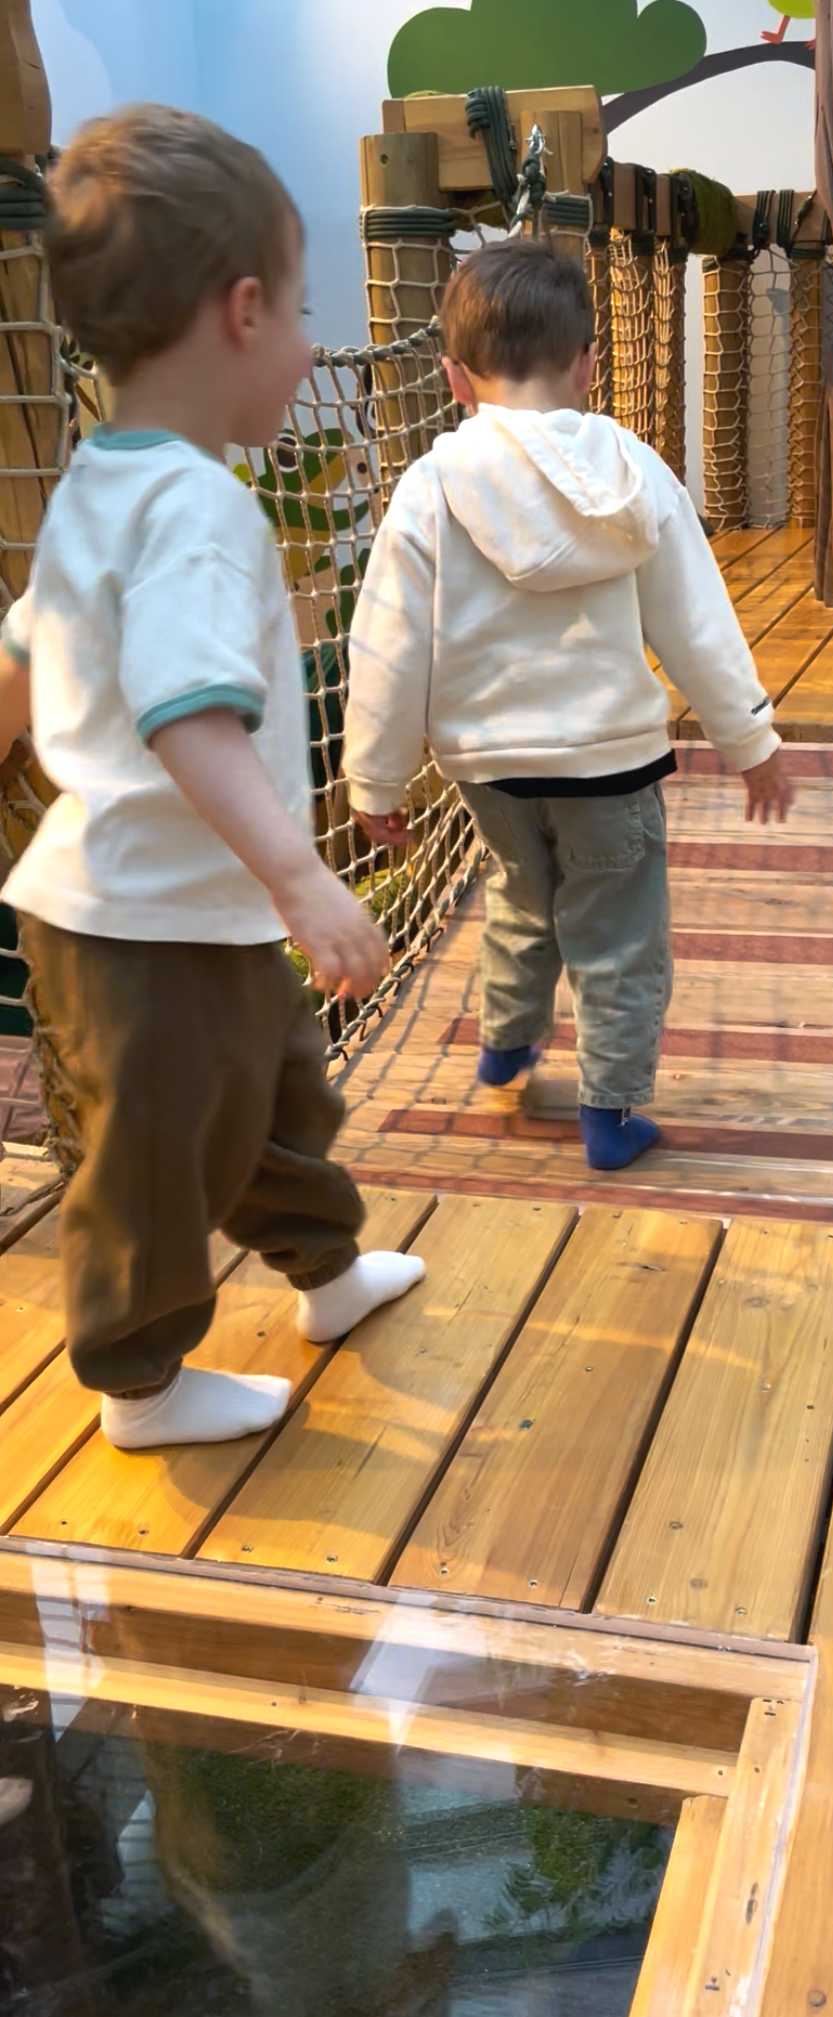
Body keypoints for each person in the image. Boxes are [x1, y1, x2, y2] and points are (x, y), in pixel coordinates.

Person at [0, 105, 425, 1452]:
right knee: (158, 1146)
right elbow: (188, 717)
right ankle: (140, 1382)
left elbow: (28, 646)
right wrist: (304, 880)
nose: (305, 344)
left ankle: (327, 1271)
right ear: (243, 313)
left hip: (185, 906)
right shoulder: (197, 508)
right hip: (142, 921)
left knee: (274, 1095)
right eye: (299, 312)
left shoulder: (102, 479)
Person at [344, 237, 789, 1172]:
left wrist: (374, 780)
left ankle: (506, 1043)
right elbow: (693, 619)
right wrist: (749, 738)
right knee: (617, 933)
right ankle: (609, 1112)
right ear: (589, 363)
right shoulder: (632, 474)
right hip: (608, 764)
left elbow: (388, 643)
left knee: (521, 896)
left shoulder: (430, 488)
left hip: (490, 769)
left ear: (455, 378)